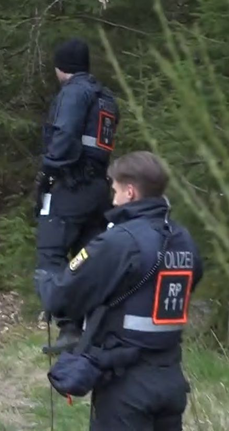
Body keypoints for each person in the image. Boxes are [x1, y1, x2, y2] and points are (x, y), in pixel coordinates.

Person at [35, 151, 203, 431]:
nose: (112, 200)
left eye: (114, 191)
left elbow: (63, 296)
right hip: (171, 380)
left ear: (130, 191)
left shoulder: (121, 241)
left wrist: (46, 276)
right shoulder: (183, 239)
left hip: (126, 386)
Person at [35, 38, 120, 353]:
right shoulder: (106, 98)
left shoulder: (73, 93)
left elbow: (65, 139)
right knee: (88, 256)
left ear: (61, 68)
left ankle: (68, 326)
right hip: (99, 189)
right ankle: (96, 327)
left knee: (51, 254)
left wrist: (48, 173)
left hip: (71, 186)